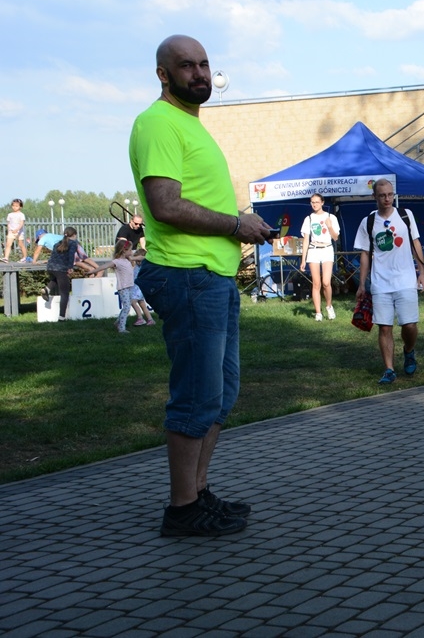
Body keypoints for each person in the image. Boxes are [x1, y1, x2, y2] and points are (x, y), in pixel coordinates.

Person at [130, 34, 276, 537]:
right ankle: (182, 509)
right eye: (187, 65)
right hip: (186, 276)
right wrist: (235, 224)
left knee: (220, 393)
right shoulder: (158, 123)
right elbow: (166, 206)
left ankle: (197, 492)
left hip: (212, 277)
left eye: (204, 64)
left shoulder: (191, 125)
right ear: (163, 74)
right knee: (196, 396)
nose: (199, 73)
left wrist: (242, 225)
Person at [353, 179, 424, 384]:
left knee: (409, 325)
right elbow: (365, 254)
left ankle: (409, 350)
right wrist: (362, 284)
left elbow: (416, 244)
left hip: (405, 280)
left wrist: (422, 273)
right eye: (382, 195)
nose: (387, 199)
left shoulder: (405, 215)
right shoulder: (368, 222)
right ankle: (389, 369)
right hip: (380, 282)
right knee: (384, 327)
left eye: (390, 195)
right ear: (374, 197)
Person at [84, 240, 143, 333]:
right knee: (127, 307)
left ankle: (118, 323)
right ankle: (121, 328)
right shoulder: (117, 262)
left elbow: (141, 257)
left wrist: (147, 257)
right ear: (124, 250)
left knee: (127, 306)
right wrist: (93, 271)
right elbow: (104, 266)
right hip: (123, 288)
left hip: (130, 287)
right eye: (130, 250)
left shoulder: (128, 259)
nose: (131, 252)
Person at [299, 193, 340, 321]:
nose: (314, 204)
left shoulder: (331, 217)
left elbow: (335, 237)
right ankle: (318, 312)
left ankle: (329, 306)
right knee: (316, 283)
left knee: (326, 282)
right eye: (312, 202)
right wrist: (303, 259)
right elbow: (306, 240)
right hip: (314, 250)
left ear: (322, 202)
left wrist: (329, 226)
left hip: (327, 249)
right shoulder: (309, 219)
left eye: (317, 202)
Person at [41, 226, 80, 320]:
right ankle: (62, 316)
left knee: (56, 279)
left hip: (50, 267)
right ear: (74, 235)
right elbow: (71, 256)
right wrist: (70, 267)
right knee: (64, 293)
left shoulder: (58, 243)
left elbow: (53, 255)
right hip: (61, 268)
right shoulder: (73, 243)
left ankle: (47, 289)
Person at [130, 247, 154, 326]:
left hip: (139, 288)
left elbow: (143, 258)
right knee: (142, 303)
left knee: (132, 301)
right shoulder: (137, 266)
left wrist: (135, 258)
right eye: (137, 261)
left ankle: (140, 318)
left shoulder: (145, 266)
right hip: (136, 287)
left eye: (139, 260)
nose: (138, 262)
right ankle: (150, 319)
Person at [3, 198, 27, 263]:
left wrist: (17, 229)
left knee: (20, 244)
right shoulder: (10, 214)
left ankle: (25, 257)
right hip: (11, 231)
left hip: (19, 232)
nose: (14, 207)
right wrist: (9, 230)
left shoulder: (21, 215)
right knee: (8, 244)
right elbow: (8, 223)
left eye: (16, 206)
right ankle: (6, 258)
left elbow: (21, 223)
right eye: (13, 205)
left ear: (20, 207)